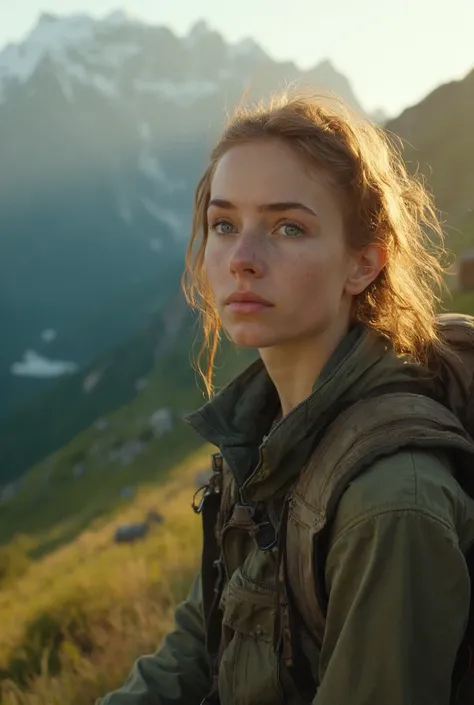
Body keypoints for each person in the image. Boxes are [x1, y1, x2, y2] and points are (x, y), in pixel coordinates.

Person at [97, 91, 474, 705]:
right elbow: (199, 643)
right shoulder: (267, 433)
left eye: (288, 227)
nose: (242, 259)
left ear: (363, 265)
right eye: (224, 225)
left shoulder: (390, 504)